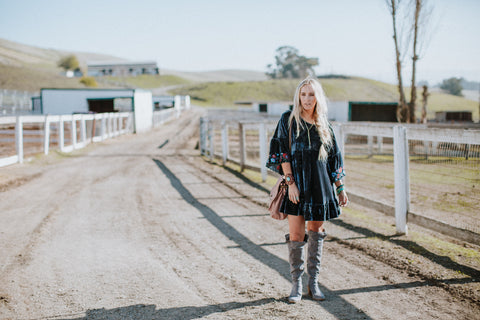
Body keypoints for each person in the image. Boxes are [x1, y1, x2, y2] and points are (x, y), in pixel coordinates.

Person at [266, 77, 348, 303]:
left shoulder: (325, 125)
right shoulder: (288, 120)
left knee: (316, 234)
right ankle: (296, 285)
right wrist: (290, 182)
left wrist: (340, 187)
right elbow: (282, 152)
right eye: (303, 94)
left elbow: (334, 159)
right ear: (298, 97)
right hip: (297, 186)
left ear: (317, 97)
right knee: (296, 235)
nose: (307, 99)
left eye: (311, 94)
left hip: (320, 188)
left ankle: (313, 284)